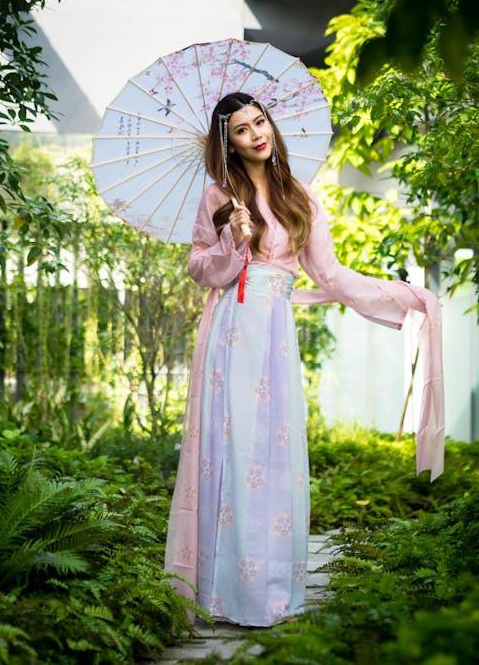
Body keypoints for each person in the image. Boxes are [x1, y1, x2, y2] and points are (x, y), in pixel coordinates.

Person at [165, 92, 444, 627]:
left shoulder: (300, 198)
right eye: (242, 130)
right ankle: (222, 591)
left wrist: (401, 294)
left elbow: (332, 275)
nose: (256, 134)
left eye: (260, 122)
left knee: (272, 454)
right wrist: (233, 240)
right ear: (229, 143)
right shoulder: (219, 196)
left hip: (274, 333)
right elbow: (200, 269)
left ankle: (267, 590)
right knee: (233, 449)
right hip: (233, 329)